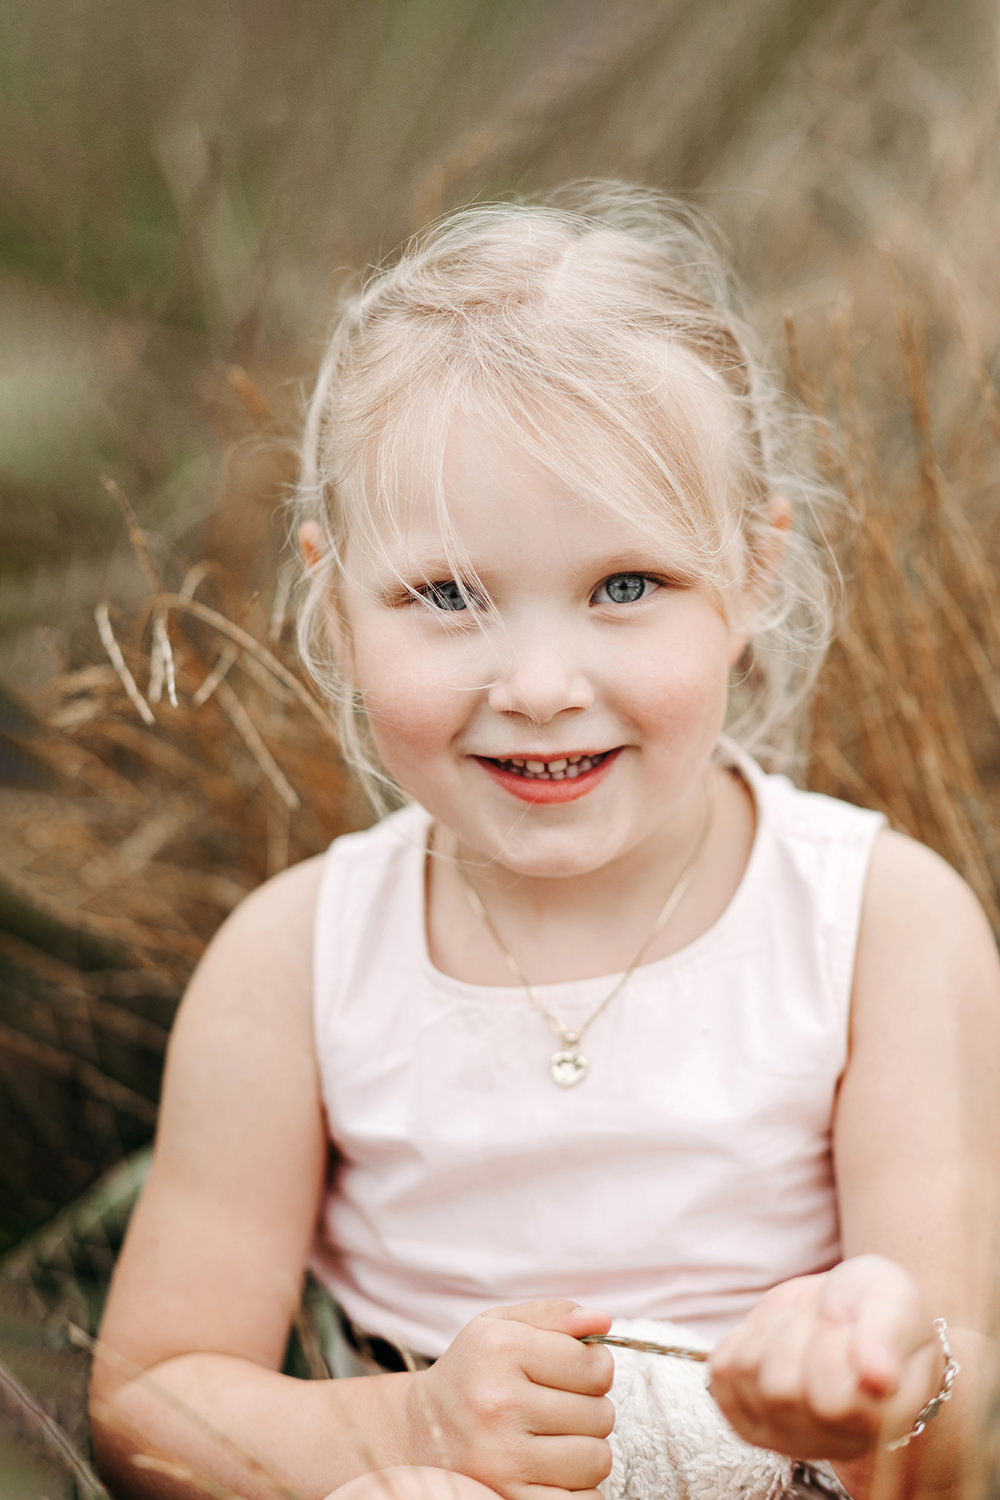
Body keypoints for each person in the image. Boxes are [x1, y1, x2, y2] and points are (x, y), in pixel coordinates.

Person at [89, 184, 1000, 1500]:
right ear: (337, 605)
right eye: (446, 595)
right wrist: (409, 1432)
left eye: (625, 587)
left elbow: (966, 1381)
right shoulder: (292, 963)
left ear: (749, 575)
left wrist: (885, 1392)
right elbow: (150, 1398)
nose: (537, 683)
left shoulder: (883, 927)